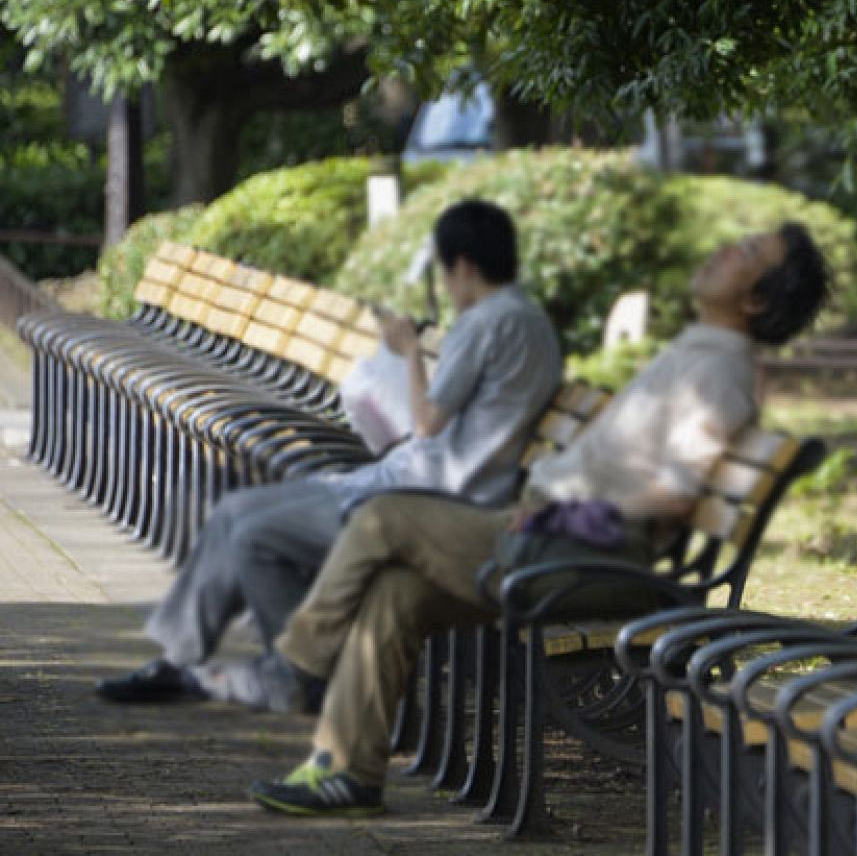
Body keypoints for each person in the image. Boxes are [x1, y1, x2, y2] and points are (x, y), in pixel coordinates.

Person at [247, 223, 828, 817]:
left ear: (755, 299)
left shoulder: (719, 371)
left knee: (382, 518)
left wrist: (562, 510)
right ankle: (349, 773)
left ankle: (298, 662)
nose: (728, 245)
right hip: (564, 541)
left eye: (749, 253)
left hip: (583, 555)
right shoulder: (700, 351)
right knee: (397, 593)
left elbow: (675, 494)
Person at [96, 199, 563, 709]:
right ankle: (200, 660)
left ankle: (301, 672)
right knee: (234, 513)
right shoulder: (530, 320)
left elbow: (427, 422)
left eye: (448, 274)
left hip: (425, 500)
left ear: (465, 266)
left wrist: (408, 352)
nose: (449, 289)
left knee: (252, 532)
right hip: (418, 482)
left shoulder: (488, 320)